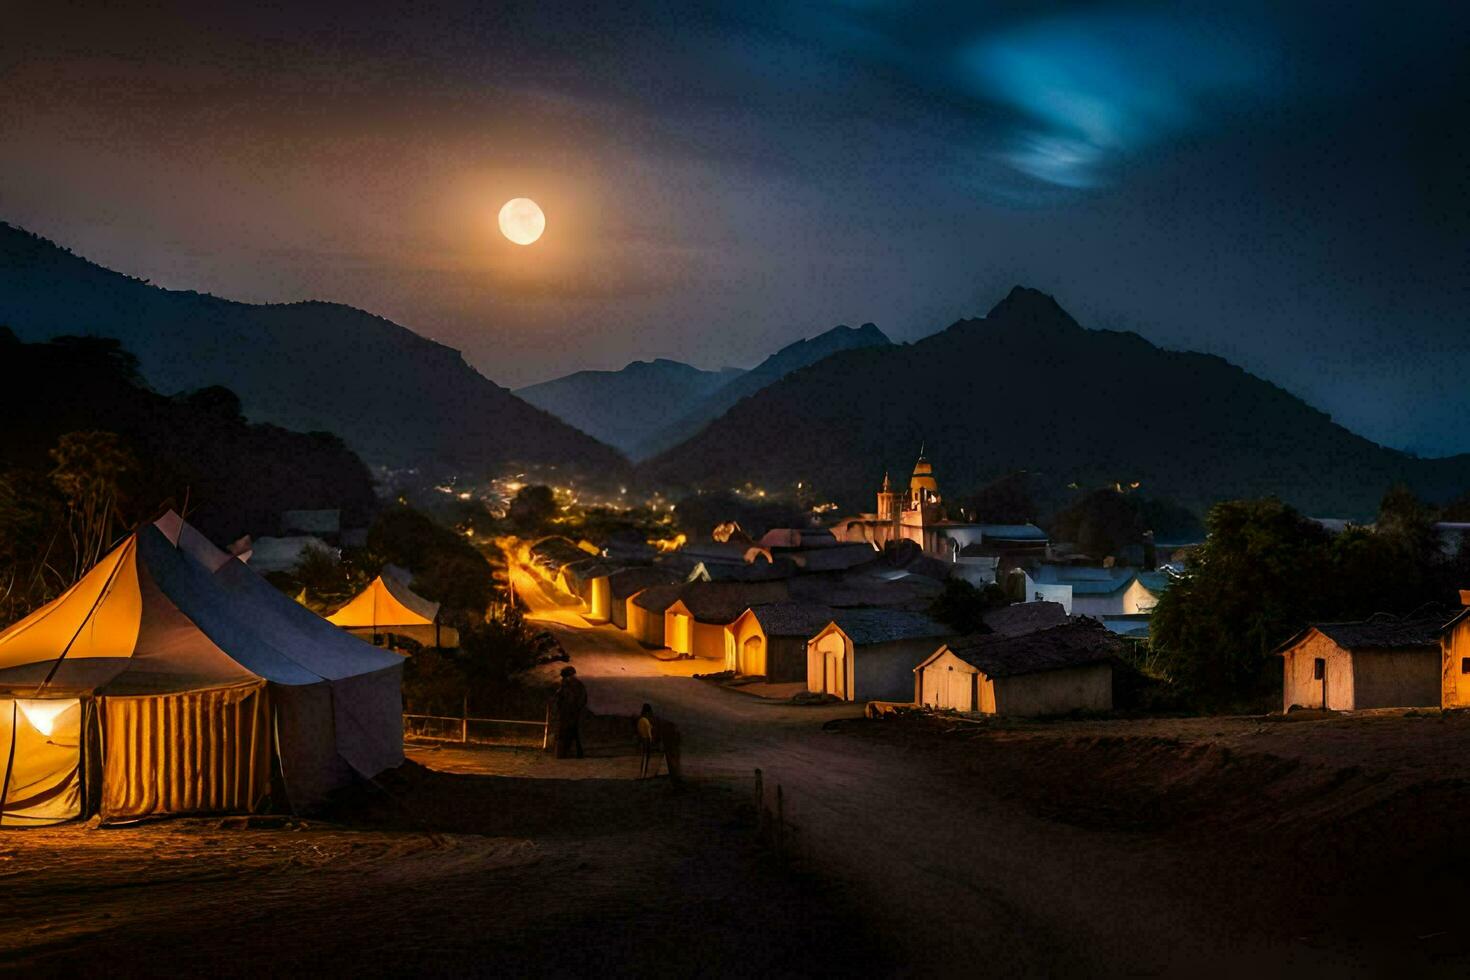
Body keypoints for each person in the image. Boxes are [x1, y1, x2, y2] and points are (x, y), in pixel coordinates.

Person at [636, 703, 683, 785]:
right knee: (648, 758)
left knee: (645, 757)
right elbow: (650, 732)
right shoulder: (648, 720)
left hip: (646, 739)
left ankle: (643, 774)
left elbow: (646, 731)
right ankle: (675, 776)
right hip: (651, 739)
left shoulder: (643, 720)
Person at [550, 665, 587, 759]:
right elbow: (559, 698)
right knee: (568, 733)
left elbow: (581, 699)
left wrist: (575, 708)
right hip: (567, 712)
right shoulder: (567, 685)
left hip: (571, 712)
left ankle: (566, 753)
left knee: (570, 733)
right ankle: (564, 753)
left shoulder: (575, 685)